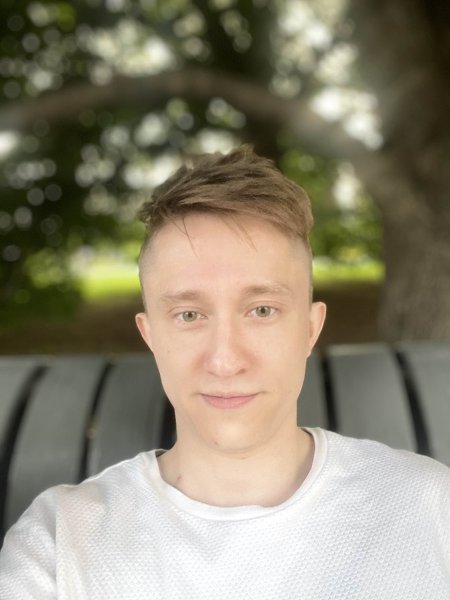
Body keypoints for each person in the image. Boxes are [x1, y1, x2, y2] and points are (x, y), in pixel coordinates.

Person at [0, 146, 449, 599]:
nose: (225, 360)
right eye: (189, 315)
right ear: (150, 334)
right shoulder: (59, 544)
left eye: (262, 310)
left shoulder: (430, 509)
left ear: (310, 329)